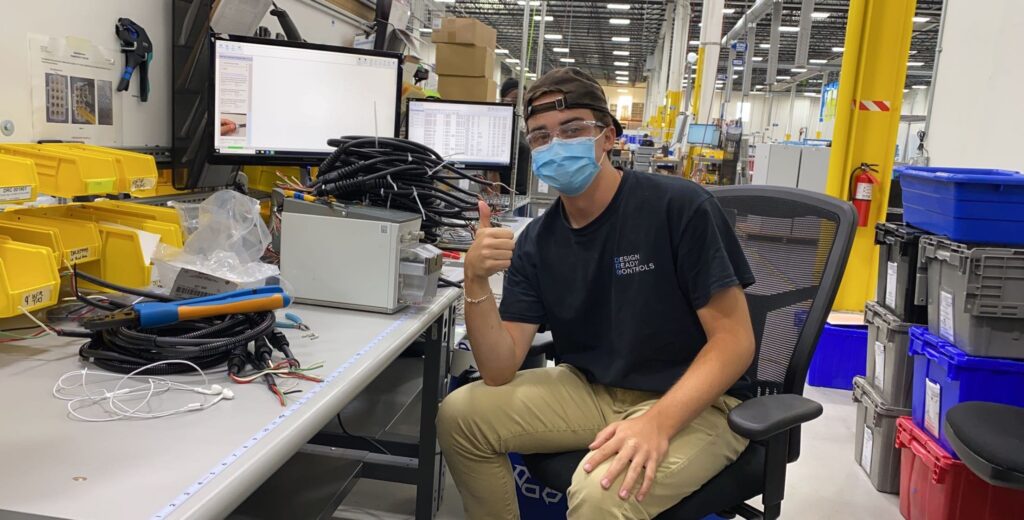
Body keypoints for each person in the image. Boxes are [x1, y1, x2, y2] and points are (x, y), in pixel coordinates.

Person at [437, 66, 757, 519]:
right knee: (460, 416)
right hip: (592, 389)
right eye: (541, 137)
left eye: (572, 130)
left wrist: (658, 423)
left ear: (607, 137)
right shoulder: (536, 242)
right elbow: (498, 367)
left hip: (700, 402)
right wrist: (475, 280)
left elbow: (734, 341)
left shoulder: (680, 208)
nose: (556, 145)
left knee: (600, 494)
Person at [497, 78, 531, 195]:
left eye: (523, 100)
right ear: (503, 99)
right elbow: (492, 170)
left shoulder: (521, 125)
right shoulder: (499, 127)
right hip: (506, 194)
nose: (519, 104)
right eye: (515, 99)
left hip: (522, 193)